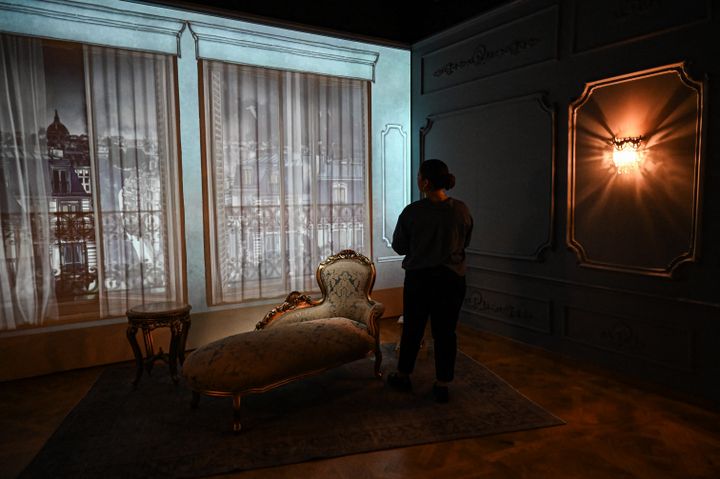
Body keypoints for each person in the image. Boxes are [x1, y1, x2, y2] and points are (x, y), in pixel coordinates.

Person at [387, 158, 473, 403]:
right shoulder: (462, 209)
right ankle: (442, 384)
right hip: (452, 279)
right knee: (446, 332)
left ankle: (404, 376)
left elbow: (399, 247)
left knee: (413, 330)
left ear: (424, 182)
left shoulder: (413, 212)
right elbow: (465, 241)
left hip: (420, 280)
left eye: (418, 176)